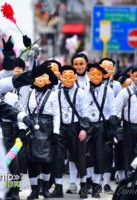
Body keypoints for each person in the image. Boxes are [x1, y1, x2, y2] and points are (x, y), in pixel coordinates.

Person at [51, 65, 90, 199]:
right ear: (61, 77)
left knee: (80, 157)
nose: (68, 79)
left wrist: (83, 129)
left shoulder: (81, 93)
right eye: (65, 77)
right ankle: (58, 187)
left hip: (76, 127)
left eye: (70, 76)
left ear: (75, 77)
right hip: (61, 127)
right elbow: (54, 112)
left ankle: (84, 187)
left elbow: (85, 112)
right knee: (58, 158)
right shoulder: (56, 93)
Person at [25, 69, 60, 199]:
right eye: (37, 75)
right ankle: (34, 190)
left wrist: (56, 132)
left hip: (48, 128)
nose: (40, 77)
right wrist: (24, 128)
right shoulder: (28, 92)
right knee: (31, 161)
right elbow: (24, 111)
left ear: (48, 79)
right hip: (31, 127)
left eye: (43, 75)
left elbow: (57, 114)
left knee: (47, 160)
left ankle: (45, 189)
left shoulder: (53, 94)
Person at [85, 63, 115, 198]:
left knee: (99, 156)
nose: (96, 76)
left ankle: (97, 186)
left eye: (98, 74)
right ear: (88, 75)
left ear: (103, 76)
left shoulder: (108, 90)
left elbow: (111, 109)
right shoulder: (84, 89)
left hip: (101, 125)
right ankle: (87, 182)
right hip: (87, 126)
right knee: (85, 155)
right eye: (93, 74)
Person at [99, 58, 122, 193]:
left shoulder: (116, 85)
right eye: (104, 67)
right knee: (94, 152)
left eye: (109, 67)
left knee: (108, 153)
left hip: (110, 123)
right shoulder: (91, 83)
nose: (106, 70)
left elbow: (118, 106)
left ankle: (106, 183)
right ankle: (93, 182)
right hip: (95, 123)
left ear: (113, 69)